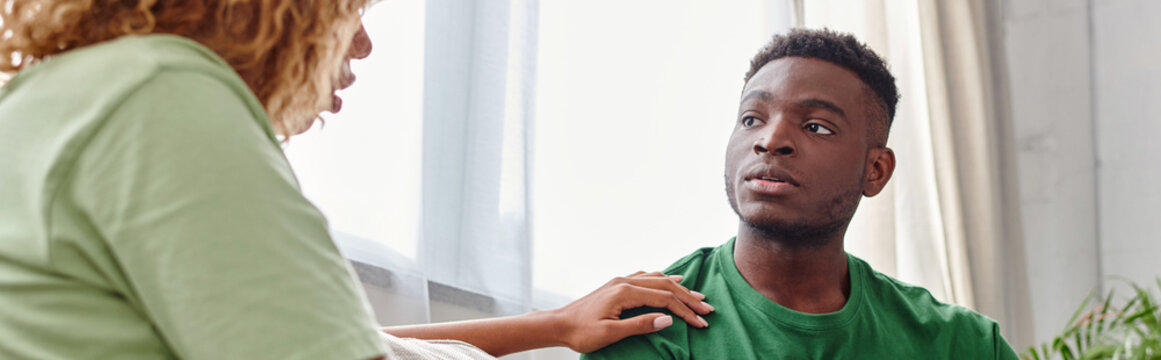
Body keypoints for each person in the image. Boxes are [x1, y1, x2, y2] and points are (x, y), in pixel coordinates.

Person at [0, 1, 714, 359]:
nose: (364, 43)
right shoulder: (163, 95)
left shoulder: (70, 97)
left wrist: (550, 326)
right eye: (352, 10)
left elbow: (325, 336)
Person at [581, 29, 1021, 359]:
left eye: (816, 127)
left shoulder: (966, 345)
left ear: (875, 171)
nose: (770, 140)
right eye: (752, 118)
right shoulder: (647, 326)